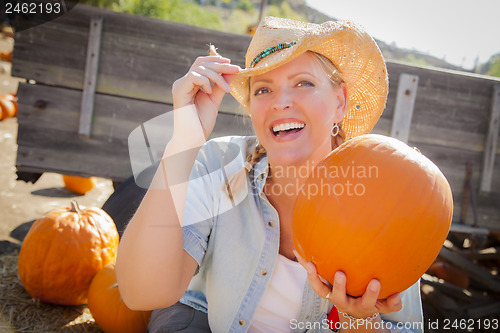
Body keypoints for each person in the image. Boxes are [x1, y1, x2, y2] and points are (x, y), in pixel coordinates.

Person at [116, 16, 424, 333]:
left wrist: (359, 321)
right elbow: (141, 293)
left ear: (339, 102)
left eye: (303, 83)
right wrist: (182, 144)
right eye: (263, 89)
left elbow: (406, 328)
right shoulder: (219, 163)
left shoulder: (382, 193)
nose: (281, 102)